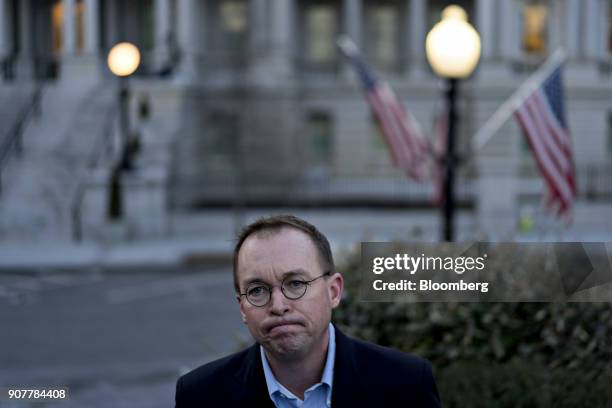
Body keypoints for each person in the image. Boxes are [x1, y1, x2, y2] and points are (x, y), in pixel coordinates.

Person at [175, 215, 440, 407]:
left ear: (334, 291)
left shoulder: (406, 384)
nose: (278, 306)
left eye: (296, 284)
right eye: (257, 290)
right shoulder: (201, 397)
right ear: (242, 307)